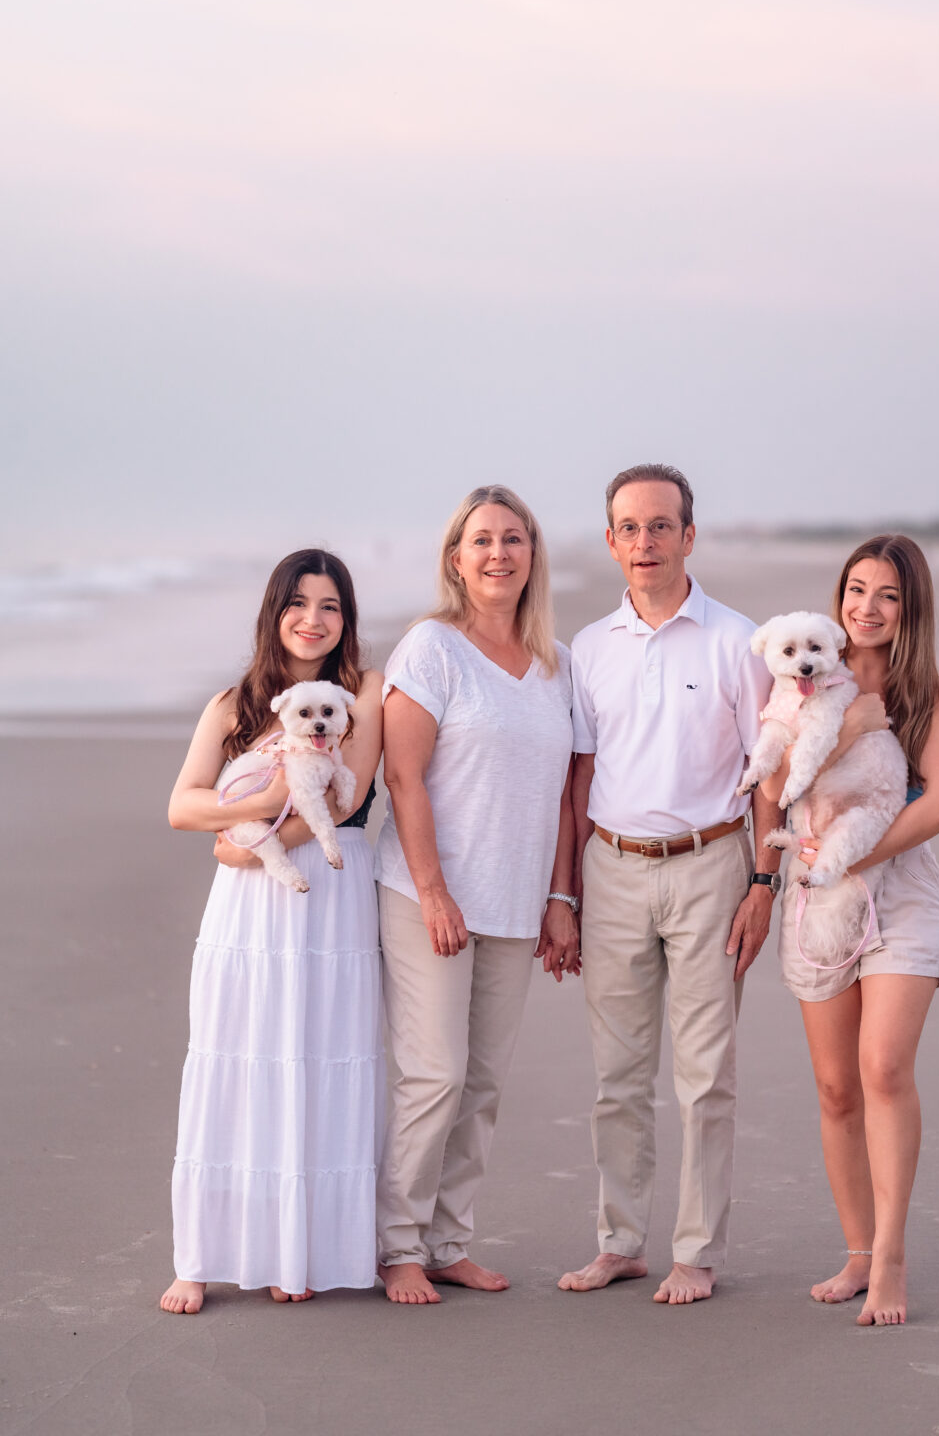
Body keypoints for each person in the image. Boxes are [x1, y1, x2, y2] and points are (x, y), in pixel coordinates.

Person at [558, 463, 779, 1306]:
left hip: (713, 867)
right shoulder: (588, 649)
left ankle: (696, 1252)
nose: (644, 542)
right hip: (611, 870)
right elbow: (580, 779)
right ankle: (619, 1242)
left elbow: (770, 775)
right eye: (628, 527)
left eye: (660, 526)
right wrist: (565, 897)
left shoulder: (738, 640)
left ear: (690, 535)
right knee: (617, 1076)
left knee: (705, 1075)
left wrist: (766, 881)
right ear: (610, 541)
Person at [160, 549, 384, 1313]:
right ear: (274, 611)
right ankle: (198, 1257)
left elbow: (336, 802)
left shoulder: (364, 696)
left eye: (330, 606)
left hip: (332, 888)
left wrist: (249, 838)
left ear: (346, 621)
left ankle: (300, 1250)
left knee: (317, 1061)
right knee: (235, 1058)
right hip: (246, 903)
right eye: (298, 603)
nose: (312, 619)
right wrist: (240, 827)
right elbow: (182, 806)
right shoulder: (234, 704)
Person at [374, 485, 578, 1305]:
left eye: (514, 539)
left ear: (533, 556)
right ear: (457, 559)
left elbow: (567, 791)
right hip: (430, 896)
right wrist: (432, 891)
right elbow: (402, 774)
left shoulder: (552, 663)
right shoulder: (431, 648)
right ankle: (396, 1248)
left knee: (484, 1082)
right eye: (482, 540)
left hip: (514, 901)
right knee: (435, 1075)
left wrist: (560, 897)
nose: (499, 554)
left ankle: (448, 1241)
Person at [767, 534, 939, 1327]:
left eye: (886, 594)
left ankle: (891, 1258)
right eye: (855, 590)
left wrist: (848, 855)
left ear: (909, 607)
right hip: (815, 898)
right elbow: (777, 786)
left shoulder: (936, 696)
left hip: (901, 888)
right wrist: (850, 730)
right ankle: (856, 1250)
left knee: (882, 1068)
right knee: (836, 1086)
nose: (867, 608)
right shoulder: (803, 677)